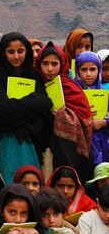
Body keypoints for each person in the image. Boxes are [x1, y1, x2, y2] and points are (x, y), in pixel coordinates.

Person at [0, 32, 54, 184]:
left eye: (20, 51)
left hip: (30, 142)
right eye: (11, 52)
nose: (16, 56)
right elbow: (3, 111)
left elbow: (46, 106)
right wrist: (34, 101)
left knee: (31, 184)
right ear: (3, 52)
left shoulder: (34, 76)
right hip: (6, 143)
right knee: (9, 182)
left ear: (27, 51)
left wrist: (15, 110)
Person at [35, 41, 94, 185]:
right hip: (40, 145)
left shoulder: (70, 86)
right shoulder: (34, 84)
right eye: (45, 63)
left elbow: (85, 117)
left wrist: (63, 115)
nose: (49, 69)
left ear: (62, 63)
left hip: (68, 150)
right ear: (38, 64)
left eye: (54, 64)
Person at [74, 50, 109, 166]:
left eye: (93, 69)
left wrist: (104, 122)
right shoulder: (71, 92)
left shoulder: (104, 92)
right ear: (77, 70)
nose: (88, 74)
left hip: (102, 143)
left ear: (98, 70)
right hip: (78, 144)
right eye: (84, 69)